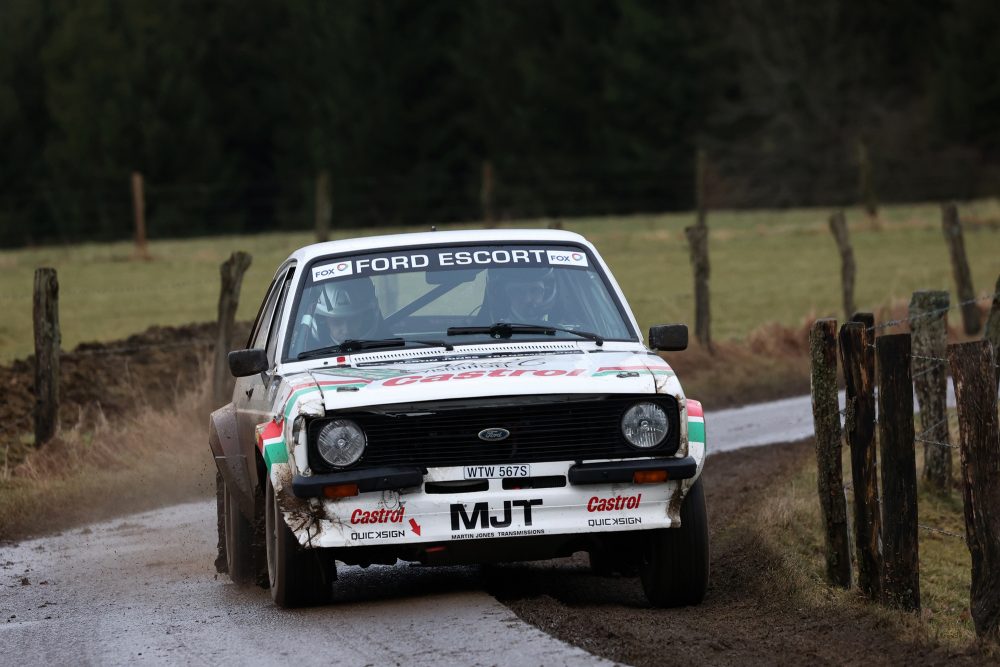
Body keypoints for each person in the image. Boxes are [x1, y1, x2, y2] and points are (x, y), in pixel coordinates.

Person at [311, 277, 382, 345]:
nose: (346, 330)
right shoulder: (308, 351)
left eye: (353, 320)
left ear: (365, 317)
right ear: (323, 321)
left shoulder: (387, 345)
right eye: (337, 322)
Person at [484, 267, 558, 323]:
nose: (527, 299)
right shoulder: (486, 338)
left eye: (535, 290)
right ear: (504, 297)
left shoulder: (563, 332)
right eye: (518, 291)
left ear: (546, 294)